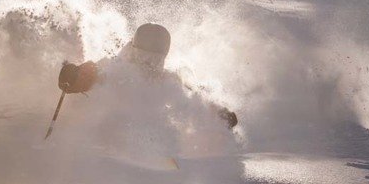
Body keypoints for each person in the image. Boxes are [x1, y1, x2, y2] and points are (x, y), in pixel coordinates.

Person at [58, 23, 238, 129]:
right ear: (135, 50)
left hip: (146, 135)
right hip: (106, 131)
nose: (149, 63)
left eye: (156, 58)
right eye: (145, 56)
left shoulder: (168, 79)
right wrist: (72, 76)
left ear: (164, 56)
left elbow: (195, 97)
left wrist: (220, 113)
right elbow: (89, 72)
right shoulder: (117, 68)